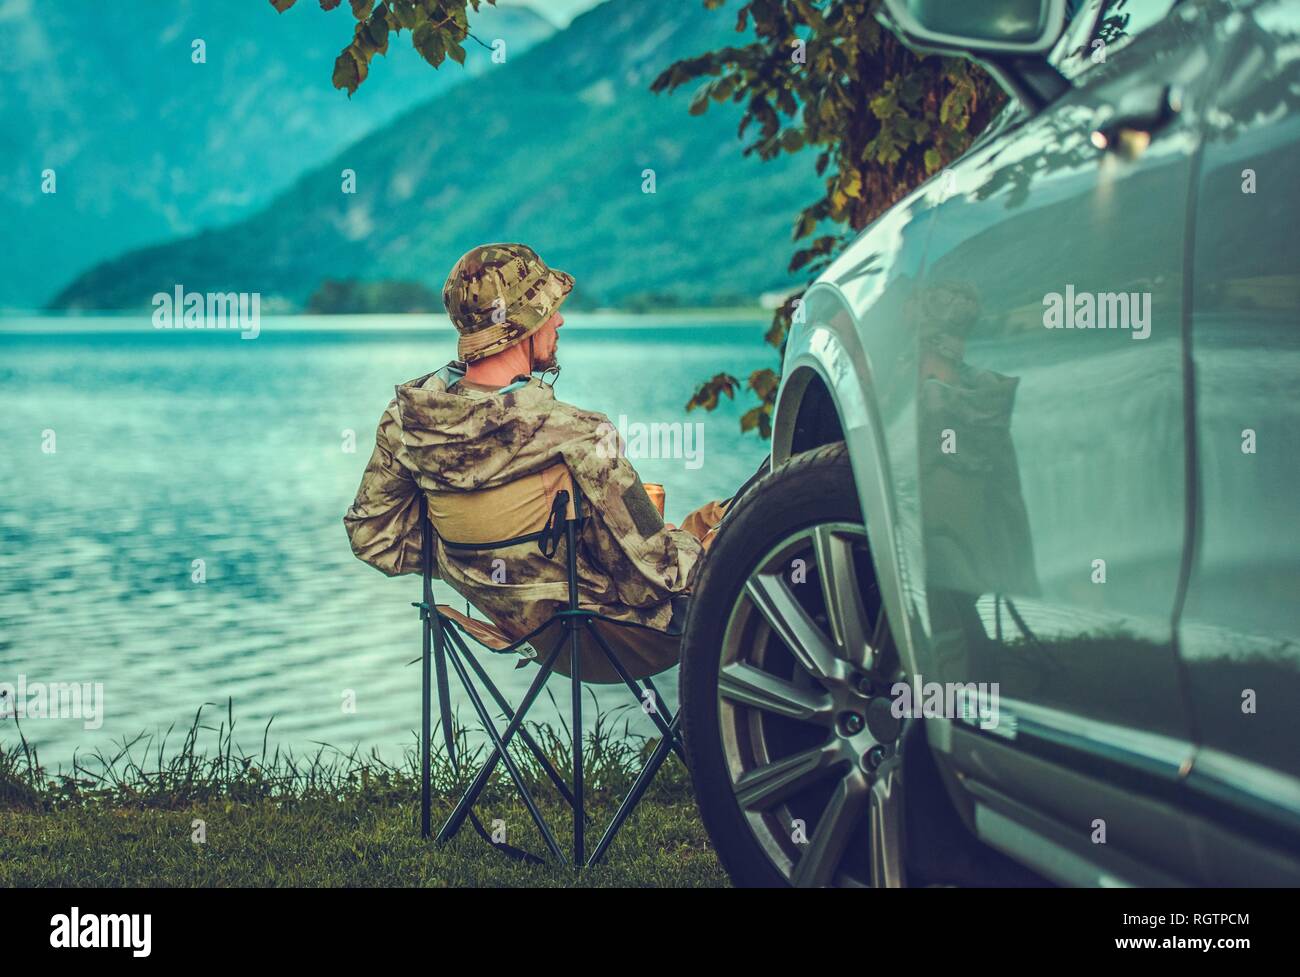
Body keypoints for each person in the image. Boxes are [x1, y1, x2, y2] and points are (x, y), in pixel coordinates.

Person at [344, 242, 731, 681]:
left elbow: (374, 536)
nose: (560, 319)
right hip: (618, 638)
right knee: (744, 528)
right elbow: (654, 578)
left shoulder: (407, 425)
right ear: (524, 325)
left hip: (524, 632)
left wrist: (468, 564)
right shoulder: (580, 435)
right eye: (550, 309)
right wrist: (688, 543)